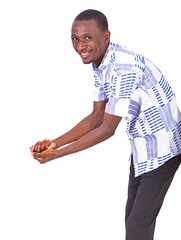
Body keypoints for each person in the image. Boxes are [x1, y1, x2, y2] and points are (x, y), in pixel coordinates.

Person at [30, 9, 181, 240]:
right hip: (142, 148)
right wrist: (53, 143)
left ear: (106, 37)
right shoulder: (101, 63)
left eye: (88, 37)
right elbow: (97, 116)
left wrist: (57, 155)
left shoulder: (123, 69)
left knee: (137, 227)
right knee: (133, 220)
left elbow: (107, 129)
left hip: (164, 147)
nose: (81, 46)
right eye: (75, 39)